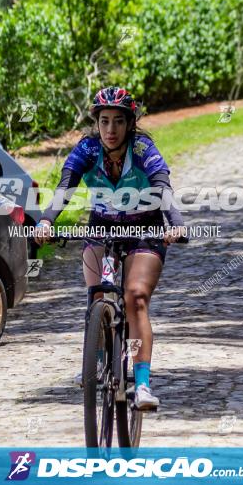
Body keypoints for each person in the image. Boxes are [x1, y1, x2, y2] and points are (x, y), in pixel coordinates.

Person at [34, 86, 187, 411]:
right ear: (97, 123)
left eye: (119, 122)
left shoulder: (143, 147)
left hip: (144, 229)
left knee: (135, 298)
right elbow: (66, 186)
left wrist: (175, 221)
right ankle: (97, 362)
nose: (111, 130)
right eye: (105, 121)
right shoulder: (88, 149)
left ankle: (142, 383)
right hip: (101, 227)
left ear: (130, 124)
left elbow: (163, 187)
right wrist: (47, 221)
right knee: (97, 296)